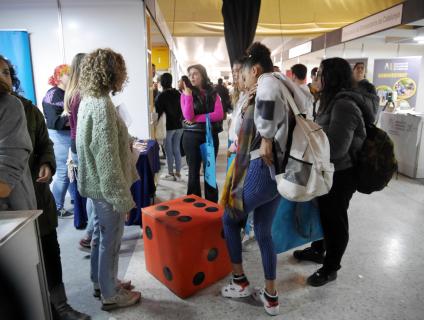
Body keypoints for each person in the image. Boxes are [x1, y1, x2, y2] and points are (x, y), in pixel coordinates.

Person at [0, 55, 91, 319]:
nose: (4, 78)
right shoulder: (48, 97)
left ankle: (60, 306)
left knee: (50, 252)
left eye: (6, 72)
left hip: (36, 197)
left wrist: (47, 164)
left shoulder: (25, 109)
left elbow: (44, 144)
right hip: (11, 209)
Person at [220, 42, 292, 316]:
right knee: (262, 232)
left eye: (244, 73)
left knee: (228, 217)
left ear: (256, 70)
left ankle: (240, 282)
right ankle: (271, 296)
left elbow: (245, 131)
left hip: (262, 170)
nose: (242, 78)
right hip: (276, 176)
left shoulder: (265, 88)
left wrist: (266, 141)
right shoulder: (279, 85)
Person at [293, 57, 376, 287]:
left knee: (335, 220)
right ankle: (319, 249)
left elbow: (337, 148)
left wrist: (310, 140)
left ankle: (331, 268)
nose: (316, 78)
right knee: (324, 213)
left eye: (320, 74)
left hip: (341, 174)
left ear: (331, 78)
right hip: (328, 171)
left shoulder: (344, 105)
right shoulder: (330, 101)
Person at [77, 48, 141, 310]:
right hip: (106, 189)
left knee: (99, 239)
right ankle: (111, 293)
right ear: (112, 73)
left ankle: (101, 281)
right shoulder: (101, 105)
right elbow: (106, 158)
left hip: (94, 186)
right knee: (110, 240)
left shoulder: (89, 99)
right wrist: (121, 199)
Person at [62, 53, 95, 248]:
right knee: (94, 193)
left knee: (91, 192)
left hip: (76, 144)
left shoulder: (72, 92)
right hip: (83, 145)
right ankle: (90, 235)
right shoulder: (82, 93)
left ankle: (90, 233)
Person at [180, 64, 224, 203]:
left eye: (195, 73)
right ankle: (193, 207)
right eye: (190, 74)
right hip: (191, 137)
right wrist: (188, 96)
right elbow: (187, 116)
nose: (192, 77)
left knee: (209, 173)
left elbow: (219, 114)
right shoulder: (186, 93)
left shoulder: (213, 93)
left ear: (203, 75)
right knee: (193, 173)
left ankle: (211, 207)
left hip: (209, 136)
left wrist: (197, 119)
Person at [42, 64, 74, 218]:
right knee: (63, 173)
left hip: (65, 136)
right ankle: (56, 207)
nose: (72, 77)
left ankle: (74, 200)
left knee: (70, 171)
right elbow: (54, 122)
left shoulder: (65, 93)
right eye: (69, 74)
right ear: (59, 76)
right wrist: (74, 118)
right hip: (60, 137)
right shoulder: (54, 94)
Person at [155, 73, 183, 181]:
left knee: (168, 150)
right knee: (176, 149)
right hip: (179, 126)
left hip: (168, 127)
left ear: (161, 83)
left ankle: (170, 173)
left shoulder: (161, 96)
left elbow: (158, 113)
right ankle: (178, 173)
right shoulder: (178, 93)